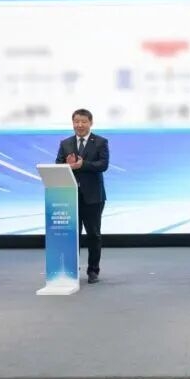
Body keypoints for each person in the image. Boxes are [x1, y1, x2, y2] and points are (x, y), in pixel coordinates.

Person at [55, 109, 110, 284]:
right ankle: (72, 269)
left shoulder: (100, 142)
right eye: (76, 121)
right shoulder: (65, 143)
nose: (79, 125)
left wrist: (82, 164)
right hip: (70, 196)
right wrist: (66, 165)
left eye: (83, 121)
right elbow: (58, 164)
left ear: (90, 123)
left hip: (93, 197)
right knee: (72, 235)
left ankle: (93, 270)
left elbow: (103, 165)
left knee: (93, 235)